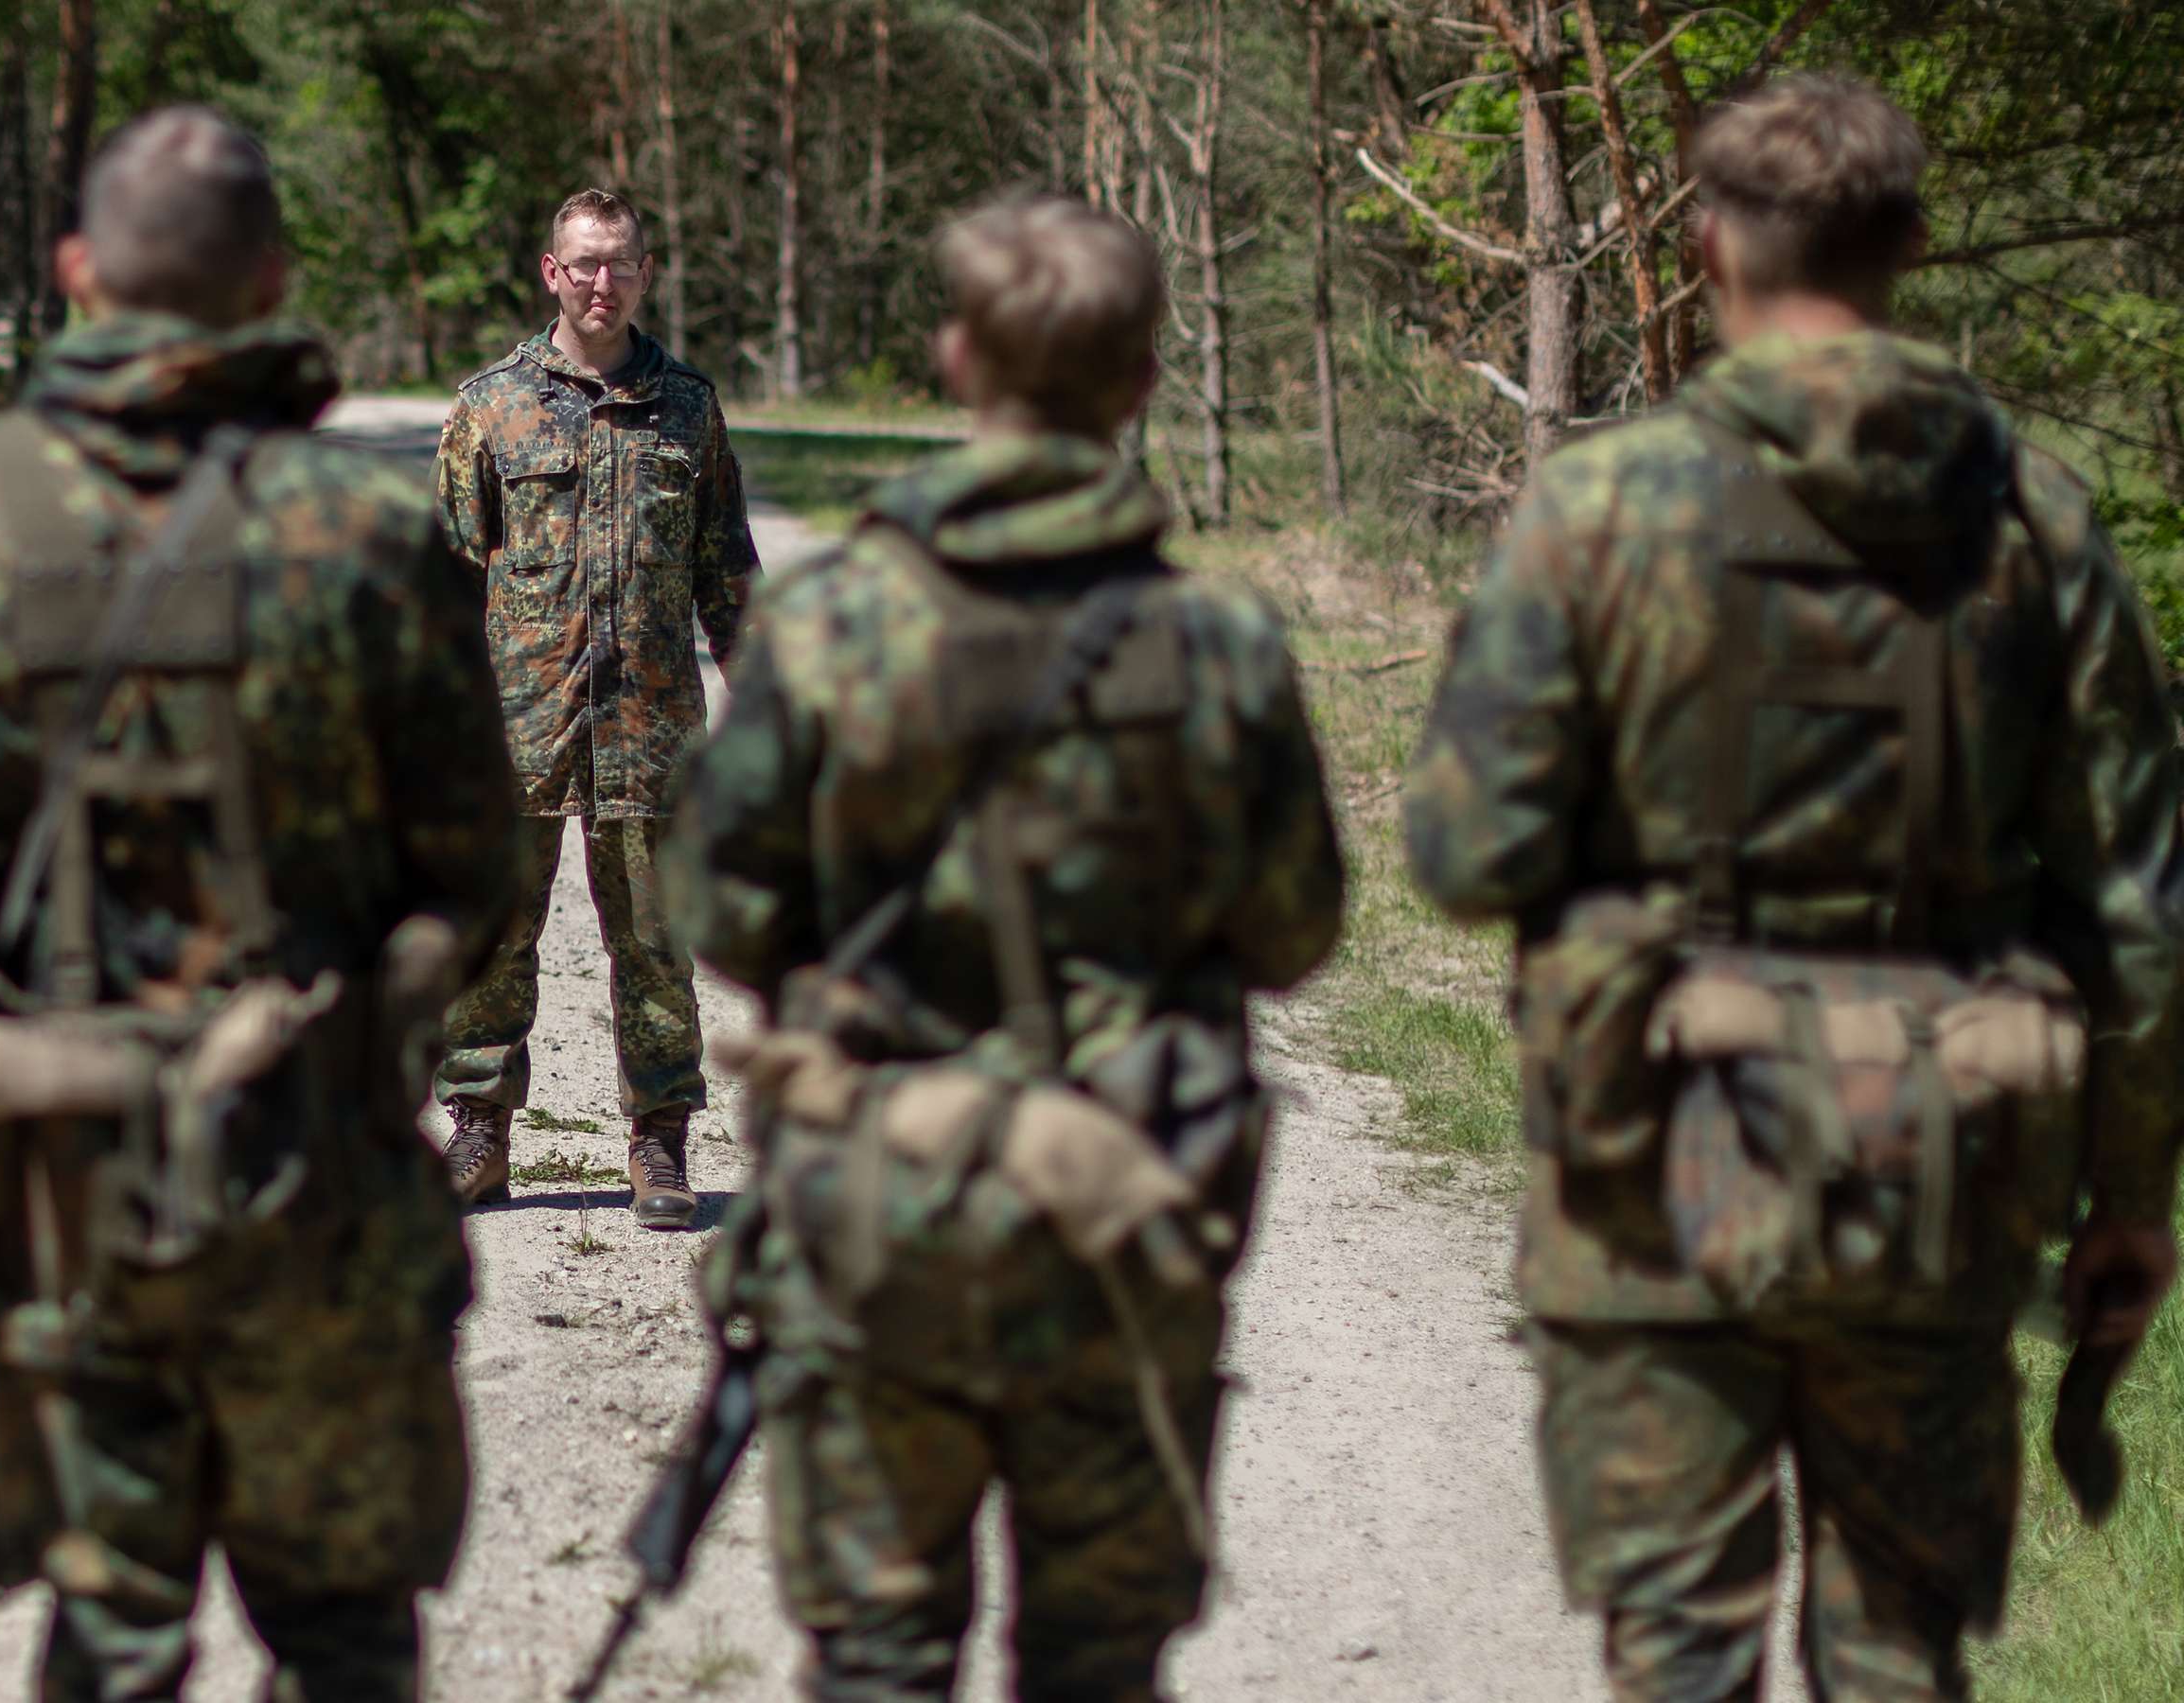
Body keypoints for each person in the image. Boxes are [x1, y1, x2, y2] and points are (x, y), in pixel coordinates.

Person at [1405, 74, 2184, 1701]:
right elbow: (2135, 910)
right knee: (1901, 1653)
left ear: (1703, 249)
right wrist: (2129, 1199)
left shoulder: (1604, 508)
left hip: (1656, 1170)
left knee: (1679, 1654)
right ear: (1909, 242)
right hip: (1937, 1174)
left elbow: (1466, 856)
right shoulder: (2033, 520)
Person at [0, 106, 519, 1700]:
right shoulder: (370, 539)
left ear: (78, 268)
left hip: (78, 1207)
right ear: (273, 280)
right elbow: (480, 884)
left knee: (113, 1625)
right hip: (322, 1189)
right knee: (347, 1627)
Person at [667, 194, 1344, 1700]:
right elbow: (1296, 934)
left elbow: (716, 913)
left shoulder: (834, 622)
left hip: (876, 1218)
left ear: (957, 357)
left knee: (879, 1655)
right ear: (1143, 382)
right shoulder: (1219, 644)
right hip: (1124, 1214)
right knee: (1099, 1667)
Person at [432, 187, 760, 1229]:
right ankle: (478, 1132)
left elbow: (727, 575)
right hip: (512, 730)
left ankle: (659, 1144)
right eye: (583, 264)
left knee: (656, 944)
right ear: (549, 271)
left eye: (619, 263)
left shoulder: (689, 409)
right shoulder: (490, 405)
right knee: (492, 935)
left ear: (646, 272)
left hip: (652, 730)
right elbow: (445, 579)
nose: (601, 282)